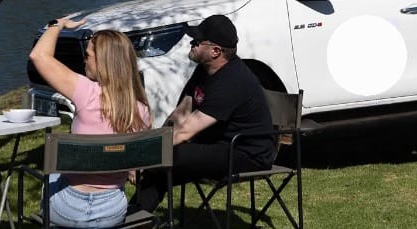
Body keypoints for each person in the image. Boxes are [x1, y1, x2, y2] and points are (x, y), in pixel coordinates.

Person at [134, 14, 276, 212]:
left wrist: (144, 156)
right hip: (218, 145)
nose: (191, 44)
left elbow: (185, 132)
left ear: (215, 51)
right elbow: (180, 115)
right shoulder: (204, 70)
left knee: (169, 155)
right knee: (159, 164)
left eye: (197, 41)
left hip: (247, 154)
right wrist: (150, 145)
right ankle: (135, 218)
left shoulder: (232, 82)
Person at [29, 17, 152, 228]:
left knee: (54, 172)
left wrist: (56, 25)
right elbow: (136, 163)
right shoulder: (142, 111)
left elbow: (38, 55)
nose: (84, 61)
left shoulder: (86, 92)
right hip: (111, 212)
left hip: (65, 210)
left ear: (102, 62)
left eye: (87, 56)